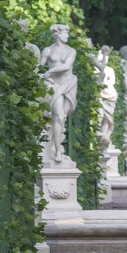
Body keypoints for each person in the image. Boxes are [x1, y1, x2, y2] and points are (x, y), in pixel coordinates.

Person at [42, 23, 78, 165]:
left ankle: (56, 147)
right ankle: (57, 151)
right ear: (57, 34)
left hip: (69, 84)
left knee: (62, 118)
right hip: (55, 85)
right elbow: (39, 67)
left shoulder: (71, 51)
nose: (67, 35)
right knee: (59, 117)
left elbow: (67, 66)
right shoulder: (48, 50)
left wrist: (49, 71)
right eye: (65, 33)